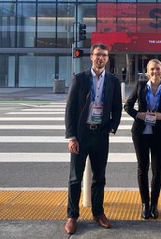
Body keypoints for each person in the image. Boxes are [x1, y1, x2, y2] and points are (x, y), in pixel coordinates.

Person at [64, 43, 122, 234]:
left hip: (101, 134)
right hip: (81, 135)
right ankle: (72, 216)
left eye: (104, 55)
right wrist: (72, 137)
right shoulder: (80, 79)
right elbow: (70, 110)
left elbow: (116, 108)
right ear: (91, 57)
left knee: (99, 177)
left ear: (107, 58)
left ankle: (98, 213)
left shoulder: (113, 81)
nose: (101, 58)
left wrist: (112, 127)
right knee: (75, 178)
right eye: (98, 55)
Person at [124, 59, 161, 220]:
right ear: (147, 72)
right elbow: (127, 106)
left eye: (158, 69)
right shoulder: (140, 86)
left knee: (157, 169)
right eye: (152, 69)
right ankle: (145, 203)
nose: (155, 72)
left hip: (158, 133)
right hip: (140, 133)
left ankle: (154, 204)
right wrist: (138, 114)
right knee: (142, 168)